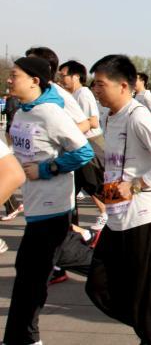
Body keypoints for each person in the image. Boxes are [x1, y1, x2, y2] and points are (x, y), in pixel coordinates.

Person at [83, 55, 151, 345]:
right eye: (94, 85)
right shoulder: (109, 117)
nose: (96, 90)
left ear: (123, 85)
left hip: (142, 217)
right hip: (116, 217)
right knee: (98, 286)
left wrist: (137, 184)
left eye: (101, 84)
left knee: (140, 292)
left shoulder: (137, 115)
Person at [4, 57, 94, 345]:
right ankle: (124, 271)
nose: (8, 80)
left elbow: (84, 152)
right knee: (60, 260)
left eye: (14, 75)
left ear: (35, 81)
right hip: (33, 206)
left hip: (53, 206)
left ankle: (24, 338)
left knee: (29, 278)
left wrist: (47, 169)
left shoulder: (51, 113)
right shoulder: (21, 114)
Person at [58, 60, 109, 231]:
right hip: (78, 146)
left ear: (76, 76)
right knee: (75, 188)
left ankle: (120, 214)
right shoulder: (72, 95)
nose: (61, 78)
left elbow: (93, 122)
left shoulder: (83, 93)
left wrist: (66, 134)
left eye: (63, 75)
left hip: (92, 144)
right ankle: (72, 230)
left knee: (100, 186)